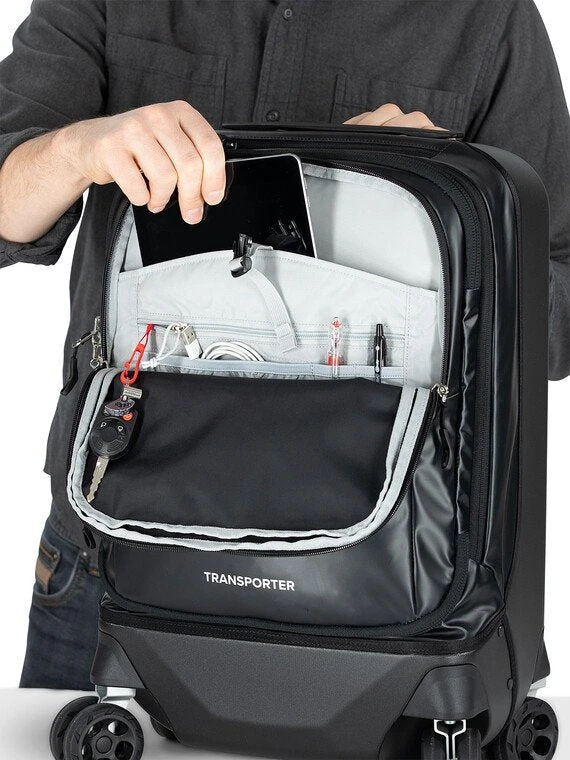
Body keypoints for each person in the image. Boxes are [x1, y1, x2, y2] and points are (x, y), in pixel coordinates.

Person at [0, 0, 568, 691]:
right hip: (111, 547)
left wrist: (456, 205)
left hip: (399, 572)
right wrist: (78, 149)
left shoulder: (487, 17)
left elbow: (558, 310)